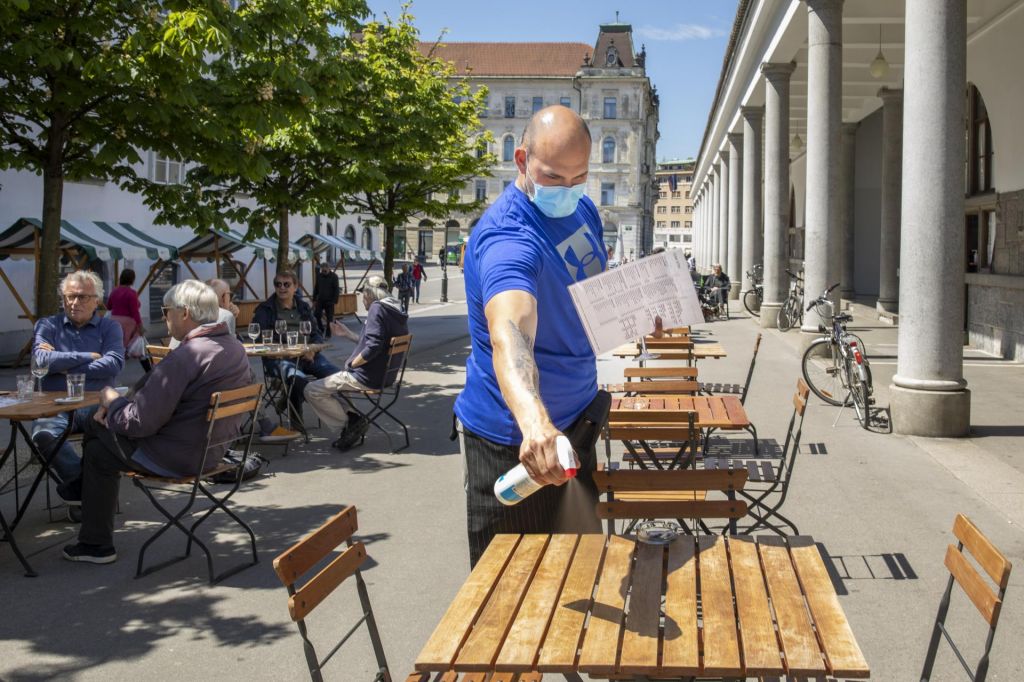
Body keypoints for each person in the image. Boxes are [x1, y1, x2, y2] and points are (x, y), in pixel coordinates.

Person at [456, 105, 608, 567]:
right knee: (510, 602)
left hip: (575, 428)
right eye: (554, 176)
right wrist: (535, 423)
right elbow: (510, 333)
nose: (567, 189)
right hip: (517, 447)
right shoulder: (507, 237)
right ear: (522, 161)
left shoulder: (583, 209)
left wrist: (635, 313)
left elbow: (586, 289)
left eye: (579, 176)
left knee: (578, 575)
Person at [61, 280, 251, 564]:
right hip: (212, 451)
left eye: (166, 311)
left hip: (177, 456)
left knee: (96, 439)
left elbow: (139, 423)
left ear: (184, 313)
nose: (165, 317)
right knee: (97, 436)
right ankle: (84, 503)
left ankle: (94, 538)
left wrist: (113, 402)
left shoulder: (190, 354)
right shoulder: (234, 347)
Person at [32, 271, 125, 510]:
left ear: (97, 300)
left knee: (105, 437)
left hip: (94, 403)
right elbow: (40, 360)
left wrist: (61, 364)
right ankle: (85, 486)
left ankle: (85, 493)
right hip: (55, 405)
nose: (74, 303)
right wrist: (85, 356)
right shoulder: (47, 324)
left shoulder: (109, 327)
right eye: (69, 296)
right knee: (42, 434)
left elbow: (113, 363)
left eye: (82, 297)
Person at [304, 275, 409, 451]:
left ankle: (351, 424)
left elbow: (374, 346)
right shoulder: (396, 311)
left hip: (367, 376)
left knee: (312, 390)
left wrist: (353, 364)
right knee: (334, 384)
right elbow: (376, 343)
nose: (363, 299)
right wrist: (347, 334)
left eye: (363, 295)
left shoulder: (377, 308)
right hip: (386, 376)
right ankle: (352, 421)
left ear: (369, 293)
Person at [252, 270, 340, 428]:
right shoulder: (265, 310)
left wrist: (313, 350)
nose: (282, 288)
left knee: (337, 376)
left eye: (286, 284)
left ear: (296, 286)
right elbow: (259, 339)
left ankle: (350, 416)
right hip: (280, 360)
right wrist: (280, 352)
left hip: (308, 356)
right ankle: (296, 418)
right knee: (296, 379)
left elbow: (316, 334)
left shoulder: (303, 307)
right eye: (278, 284)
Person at [106, 269, 147, 368]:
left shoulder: (114, 291)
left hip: (114, 321)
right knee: (141, 348)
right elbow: (135, 312)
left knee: (117, 348)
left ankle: (113, 371)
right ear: (132, 279)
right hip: (128, 323)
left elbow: (108, 306)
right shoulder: (132, 293)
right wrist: (140, 326)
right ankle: (149, 372)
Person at [313, 261, 340, 337]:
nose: (323, 272)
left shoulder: (334, 276)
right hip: (320, 299)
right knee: (317, 315)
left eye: (325, 270)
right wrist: (314, 298)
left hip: (330, 300)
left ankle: (328, 334)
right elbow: (316, 288)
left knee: (329, 318)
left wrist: (335, 300)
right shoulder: (319, 276)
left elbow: (336, 289)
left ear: (329, 269)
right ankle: (321, 328)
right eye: (322, 270)